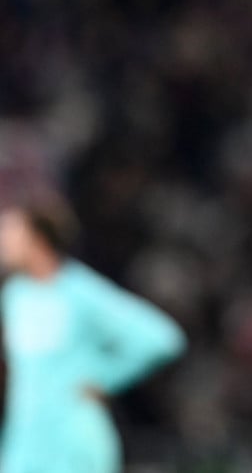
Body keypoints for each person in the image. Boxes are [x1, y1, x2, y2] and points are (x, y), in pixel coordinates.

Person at [0, 195, 186, 473]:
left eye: (10, 234)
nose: (3, 243)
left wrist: (105, 377)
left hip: (73, 438)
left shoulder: (80, 291)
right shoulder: (15, 296)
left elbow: (162, 338)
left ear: (38, 238)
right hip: (25, 439)